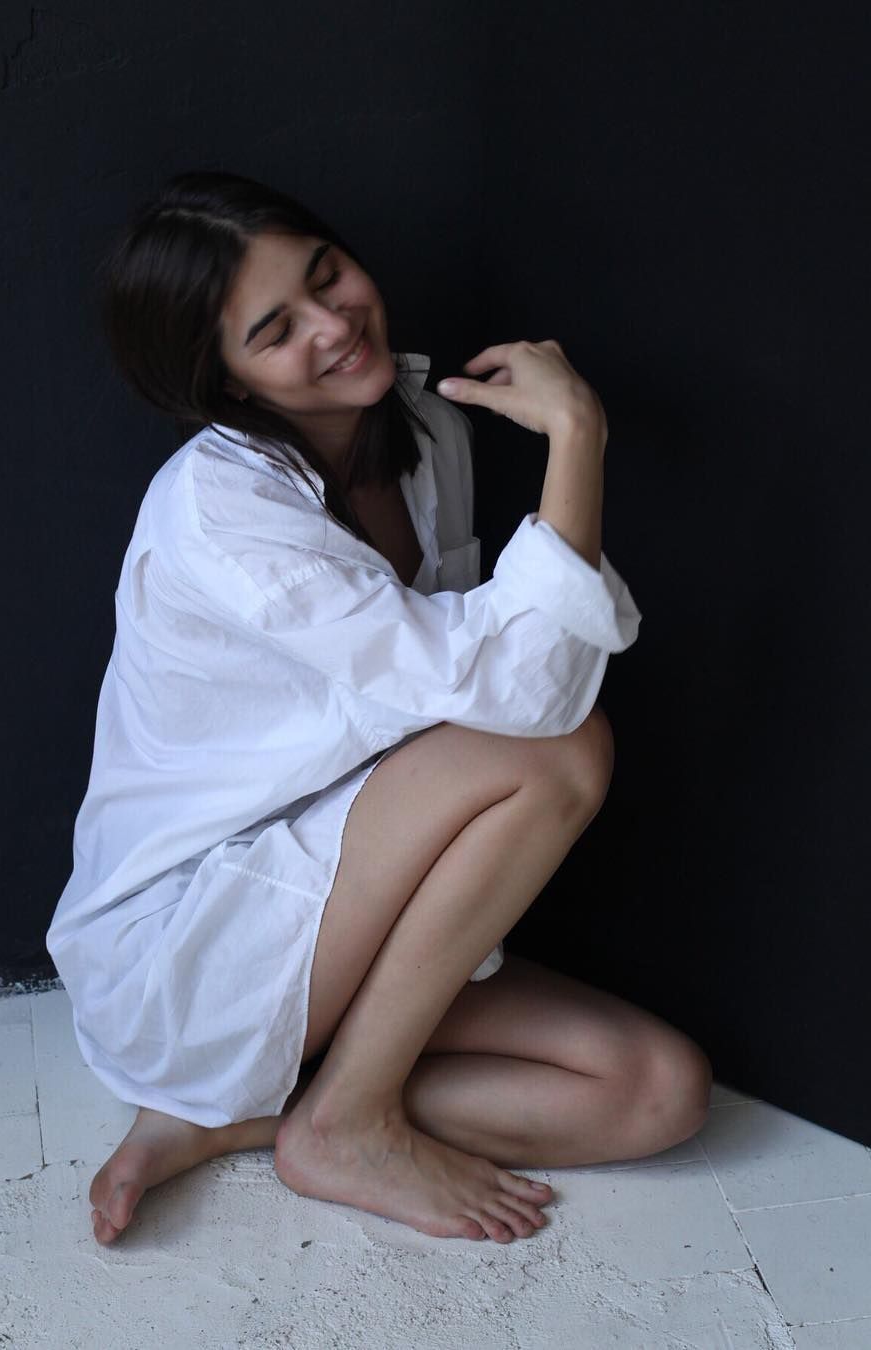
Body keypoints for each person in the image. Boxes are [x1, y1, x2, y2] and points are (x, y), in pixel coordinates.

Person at [45, 170, 713, 1249]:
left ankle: (260, 1118)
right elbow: (526, 697)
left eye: (326, 276)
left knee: (657, 1091)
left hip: (353, 910)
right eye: (275, 329)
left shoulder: (416, 422)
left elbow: (475, 686)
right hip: (198, 950)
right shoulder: (222, 510)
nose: (332, 324)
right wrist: (577, 433)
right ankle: (346, 1119)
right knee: (560, 750)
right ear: (223, 381)